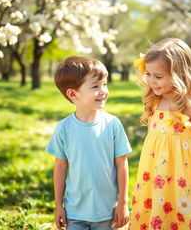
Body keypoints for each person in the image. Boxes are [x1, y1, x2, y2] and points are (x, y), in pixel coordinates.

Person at [129, 38, 191, 230]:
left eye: (158, 76)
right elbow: (154, 143)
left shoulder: (189, 106)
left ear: (179, 74)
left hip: (184, 174)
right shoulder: (153, 101)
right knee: (158, 209)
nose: (151, 81)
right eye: (148, 74)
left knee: (184, 211)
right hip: (156, 173)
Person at [45, 56, 132, 230]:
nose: (103, 91)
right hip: (74, 213)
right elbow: (60, 166)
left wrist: (122, 203)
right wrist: (58, 205)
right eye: (95, 86)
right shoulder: (64, 128)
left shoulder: (113, 125)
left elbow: (122, 164)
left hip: (107, 211)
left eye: (105, 84)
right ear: (73, 94)